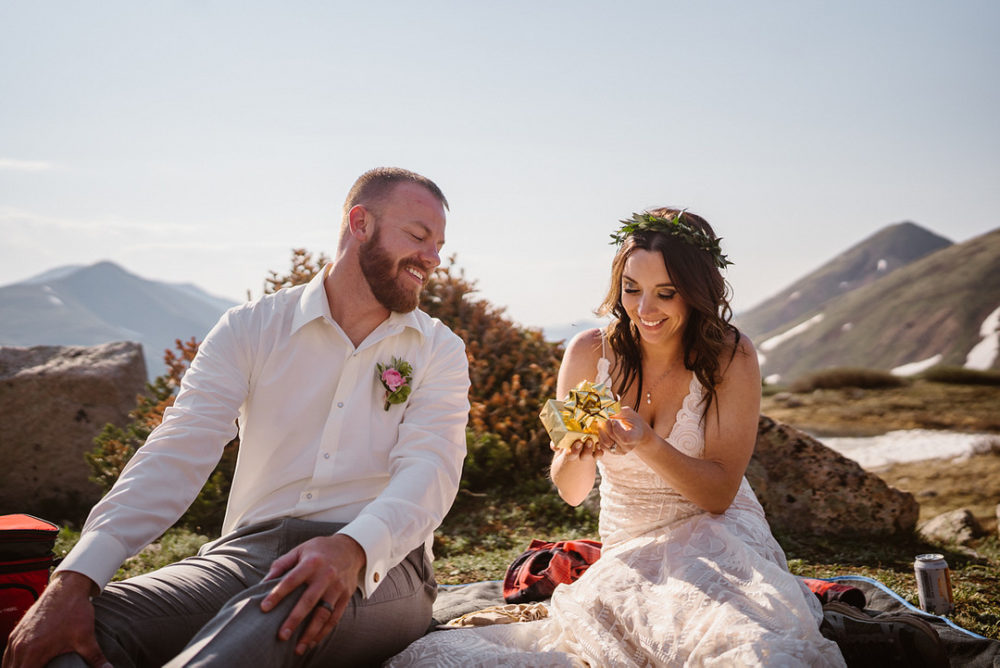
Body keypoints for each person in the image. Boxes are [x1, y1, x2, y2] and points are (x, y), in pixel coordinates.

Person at [4, 167, 472, 668]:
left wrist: (353, 546)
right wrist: (74, 579)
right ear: (360, 223)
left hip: (382, 566)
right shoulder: (250, 327)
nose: (433, 258)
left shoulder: (439, 350)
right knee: (74, 630)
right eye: (419, 236)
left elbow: (431, 470)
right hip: (246, 554)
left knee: (272, 610)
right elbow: (178, 449)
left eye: (439, 244)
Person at [387, 208, 848, 666]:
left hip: (721, 533)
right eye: (632, 289)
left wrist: (648, 443)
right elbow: (571, 492)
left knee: (735, 640)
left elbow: (719, 495)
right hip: (631, 540)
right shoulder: (589, 353)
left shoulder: (730, 355)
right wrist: (576, 453)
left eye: (666, 293)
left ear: (697, 293)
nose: (644, 310)